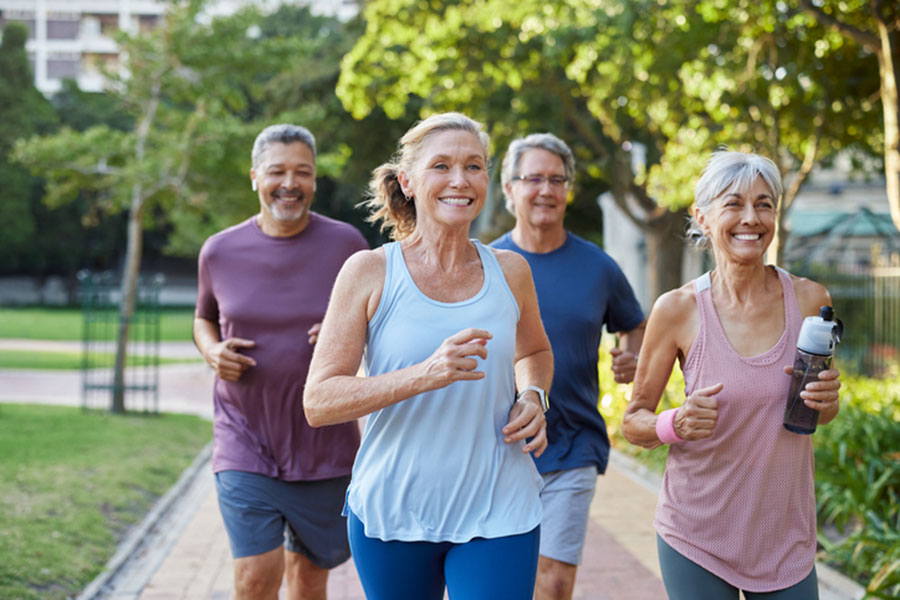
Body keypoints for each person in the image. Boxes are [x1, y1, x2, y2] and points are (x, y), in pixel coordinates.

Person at [303, 112, 552, 600]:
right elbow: (319, 401)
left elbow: (536, 350)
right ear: (408, 182)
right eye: (441, 166)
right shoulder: (370, 272)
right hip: (394, 507)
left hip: (498, 501)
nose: (460, 180)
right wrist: (424, 375)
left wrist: (535, 395)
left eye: (474, 166)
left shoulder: (511, 271)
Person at [622, 150, 842, 599]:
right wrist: (676, 422)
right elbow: (634, 421)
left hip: (785, 538)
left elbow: (813, 413)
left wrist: (829, 404)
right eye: (734, 204)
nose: (751, 218)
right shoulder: (678, 310)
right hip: (696, 535)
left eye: (764, 204)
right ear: (702, 217)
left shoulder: (809, 300)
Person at [193, 124, 368, 600]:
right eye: (277, 171)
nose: (289, 183)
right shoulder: (220, 251)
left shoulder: (347, 246)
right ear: (255, 177)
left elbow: (380, 322)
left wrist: (346, 335)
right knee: (255, 578)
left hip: (324, 442)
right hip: (244, 436)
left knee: (309, 581)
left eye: (302, 172)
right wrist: (212, 351)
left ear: (314, 181)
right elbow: (203, 318)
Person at [490, 132, 646, 600]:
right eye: (533, 178)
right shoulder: (484, 264)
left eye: (557, 179)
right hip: (497, 447)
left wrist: (631, 357)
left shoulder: (597, 266)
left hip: (573, 442)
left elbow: (633, 324)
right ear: (509, 189)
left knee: (554, 582)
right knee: (502, 581)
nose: (546, 190)